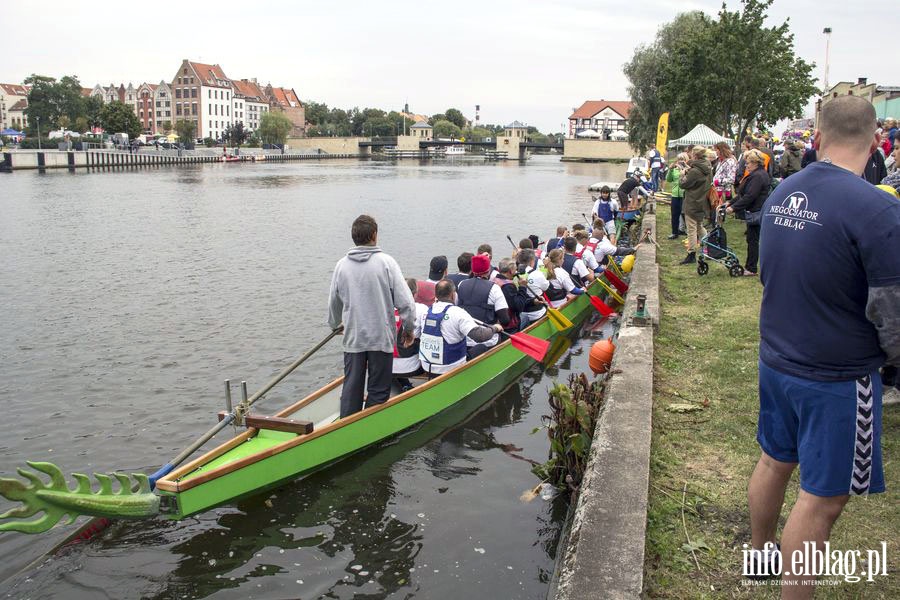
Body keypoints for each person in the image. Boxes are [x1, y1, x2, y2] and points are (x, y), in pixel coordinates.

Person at [748, 96, 900, 594]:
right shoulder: (879, 209)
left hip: (777, 358)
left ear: (817, 137)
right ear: (877, 141)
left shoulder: (783, 191)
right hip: (837, 375)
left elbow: (766, 273)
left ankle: (760, 556)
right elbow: (889, 310)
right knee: (822, 498)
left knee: (774, 460)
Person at [328, 215, 417, 418]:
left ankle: (347, 424)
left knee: (352, 388)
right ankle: (369, 424)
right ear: (374, 235)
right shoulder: (386, 263)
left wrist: (334, 325)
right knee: (378, 389)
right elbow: (406, 303)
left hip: (354, 337)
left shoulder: (341, 265)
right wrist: (409, 329)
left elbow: (333, 302)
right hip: (380, 338)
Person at [418, 280, 504, 377]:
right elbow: (480, 336)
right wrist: (495, 328)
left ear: (436, 295)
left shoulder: (425, 311)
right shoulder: (458, 313)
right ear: (453, 295)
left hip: (427, 366)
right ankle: (479, 377)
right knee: (482, 347)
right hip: (450, 367)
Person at [725, 149, 769, 276]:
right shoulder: (757, 174)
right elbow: (743, 194)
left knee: (753, 241)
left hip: (757, 211)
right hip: (755, 210)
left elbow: (750, 196)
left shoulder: (758, 176)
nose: (746, 165)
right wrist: (730, 202)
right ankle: (751, 267)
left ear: (755, 163)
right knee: (752, 240)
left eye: (748, 163)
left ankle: (751, 268)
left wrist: (733, 208)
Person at [457, 254, 510, 358]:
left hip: (466, 339)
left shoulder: (461, 284)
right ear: (488, 270)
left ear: (472, 270)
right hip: (489, 341)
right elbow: (505, 320)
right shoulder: (494, 288)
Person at [392, 278, 429, 392]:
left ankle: (404, 385)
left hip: (385, 366)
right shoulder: (421, 309)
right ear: (415, 293)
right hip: (412, 368)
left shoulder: (385, 308)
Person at [678, 146, 713, 264]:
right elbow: (699, 177)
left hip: (692, 201)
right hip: (702, 200)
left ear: (695, 156)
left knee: (691, 228)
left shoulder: (695, 171)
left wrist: (682, 175)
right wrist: (689, 170)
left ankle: (691, 253)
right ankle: (708, 247)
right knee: (699, 225)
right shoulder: (707, 166)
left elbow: (684, 184)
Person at [515, 248, 549, 328]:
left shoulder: (514, 274)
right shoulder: (537, 274)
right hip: (536, 313)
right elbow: (546, 287)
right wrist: (544, 268)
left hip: (520, 313)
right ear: (531, 261)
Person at [492, 257, 528, 332]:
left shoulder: (494, 280)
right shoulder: (508, 286)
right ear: (511, 271)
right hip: (509, 326)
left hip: (496, 319)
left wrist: (532, 301)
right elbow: (519, 307)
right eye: (515, 269)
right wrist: (523, 287)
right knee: (526, 317)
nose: (516, 271)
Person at [665, 153, 688, 239]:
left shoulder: (688, 169)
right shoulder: (674, 169)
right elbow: (668, 179)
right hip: (675, 194)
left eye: (682, 159)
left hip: (684, 194)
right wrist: (670, 170)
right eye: (679, 159)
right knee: (674, 214)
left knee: (684, 214)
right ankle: (674, 232)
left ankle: (688, 231)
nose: (680, 161)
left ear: (686, 160)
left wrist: (683, 169)